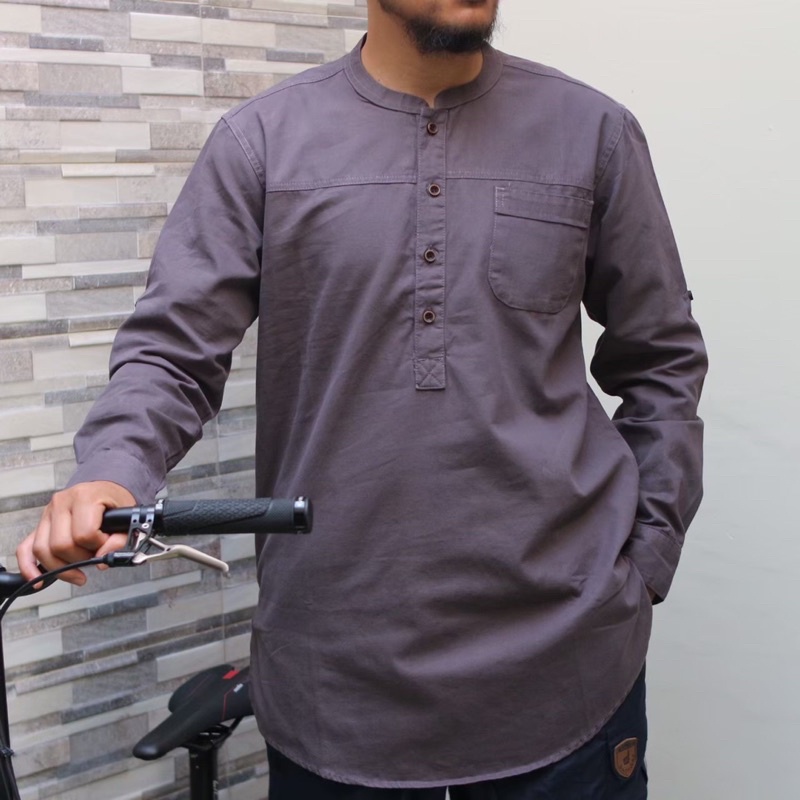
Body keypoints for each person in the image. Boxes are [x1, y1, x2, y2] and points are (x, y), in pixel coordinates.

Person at [17, 1, 707, 797]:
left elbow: (661, 357)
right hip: (335, 684)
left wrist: (646, 558)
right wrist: (112, 469)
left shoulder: (592, 132)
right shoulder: (262, 142)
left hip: (567, 675)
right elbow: (172, 350)